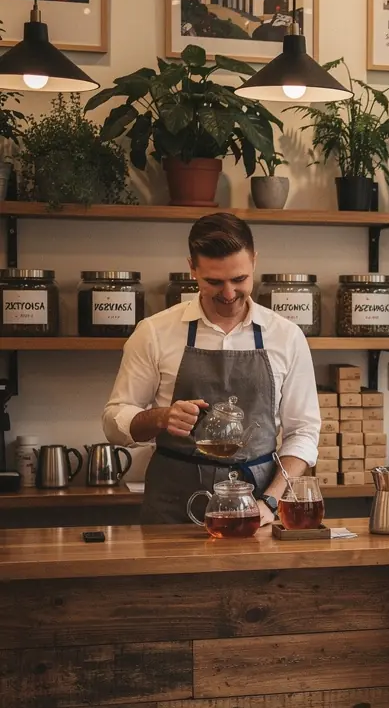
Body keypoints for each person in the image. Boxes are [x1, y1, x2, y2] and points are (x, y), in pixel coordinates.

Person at [102, 212, 320, 524]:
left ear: (254, 261)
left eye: (239, 279)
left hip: (258, 508)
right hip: (173, 506)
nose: (229, 294)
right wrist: (160, 417)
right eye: (214, 282)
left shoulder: (286, 336)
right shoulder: (154, 332)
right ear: (192, 267)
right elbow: (113, 422)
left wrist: (270, 500)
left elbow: (304, 431)